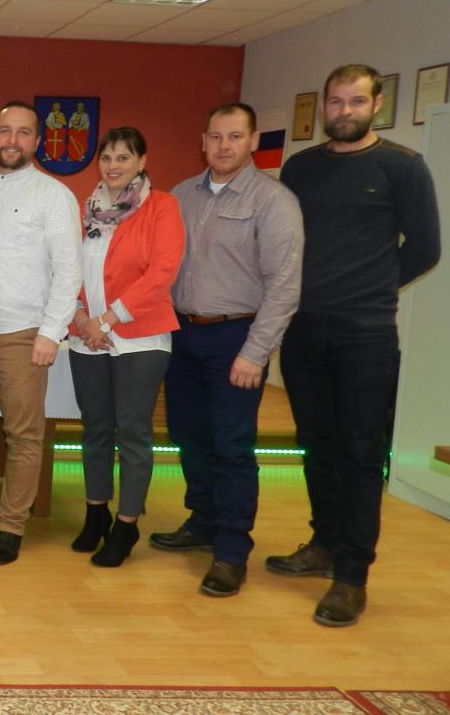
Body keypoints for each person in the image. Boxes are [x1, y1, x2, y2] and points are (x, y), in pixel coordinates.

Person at [269, 64, 440, 627]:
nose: (344, 111)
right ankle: (323, 544)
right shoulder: (300, 168)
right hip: (302, 327)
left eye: (356, 101)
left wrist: (371, 286)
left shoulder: (402, 167)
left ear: (376, 105)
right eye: (336, 101)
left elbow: (426, 247)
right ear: (324, 106)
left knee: (361, 452)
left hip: (365, 332)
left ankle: (351, 576)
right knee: (315, 444)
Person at [152, 103, 303, 598]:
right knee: (187, 434)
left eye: (235, 136)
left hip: (235, 337)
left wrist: (255, 353)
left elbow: (284, 286)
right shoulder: (180, 196)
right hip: (182, 333)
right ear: (203, 142)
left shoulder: (274, 201)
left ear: (253, 141)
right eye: (215, 136)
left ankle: (232, 550)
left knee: (232, 444)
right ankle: (203, 520)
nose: (223, 146)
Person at [0, 101, 81, 565]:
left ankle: (10, 525)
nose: (12, 140)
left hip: (23, 335)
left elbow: (69, 270)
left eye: (23, 132)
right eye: (5, 130)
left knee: (23, 435)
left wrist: (50, 332)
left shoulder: (54, 195)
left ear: (37, 141)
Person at [68, 127, 184, 567]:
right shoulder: (86, 210)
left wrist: (109, 319)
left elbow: (162, 272)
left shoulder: (161, 206)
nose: (113, 166)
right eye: (107, 157)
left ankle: (127, 523)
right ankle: (96, 512)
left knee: (133, 432)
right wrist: (82, 317)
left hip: (140, 336)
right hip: (86, 335)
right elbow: (67, 268)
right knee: (95, 429)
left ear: (141, 161)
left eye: (123, 157)